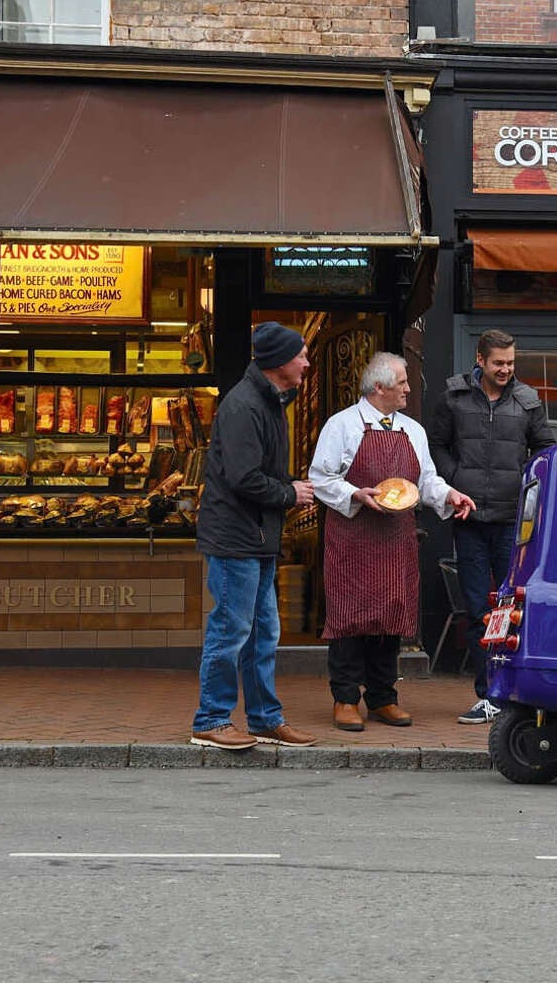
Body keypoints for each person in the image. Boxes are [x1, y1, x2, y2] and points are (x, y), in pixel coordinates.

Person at [310, 352, 475, 732]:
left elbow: (426, 480)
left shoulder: (413, 430)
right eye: (402, 382)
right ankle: (345, 698)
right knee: (349, 617)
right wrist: (355, 494)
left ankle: (383, 697)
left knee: (390, 615)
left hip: (396, 538)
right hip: (352, 538)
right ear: (379, 386)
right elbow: (320, 478)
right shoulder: (342, 425)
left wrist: (449, 495)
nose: (408, 389)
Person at [189, 322, 318, 751]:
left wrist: (289, 487)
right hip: (236, 538)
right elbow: (243, 477)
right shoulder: (243, 407)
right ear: (279, 361)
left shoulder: (269, 402)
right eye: (301, 355)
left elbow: (259, 472)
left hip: (256, 537)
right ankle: (211, 719)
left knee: (263, 632)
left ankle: (264, 719)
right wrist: (290, 493)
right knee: (231, 630)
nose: (307, 363)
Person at [429, 328, 557, 725]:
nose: (506, 369)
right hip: (468, 519)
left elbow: (545, 449)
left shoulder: (528, 400)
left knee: (511, 609)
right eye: (499, 363)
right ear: (480, 360)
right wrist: (456, 478)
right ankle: (488, 694)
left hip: (512, 522)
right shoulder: (453, 398)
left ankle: (511, 692)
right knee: (476, 610)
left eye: (511, 363)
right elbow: (435, 446)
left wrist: (524, 484)